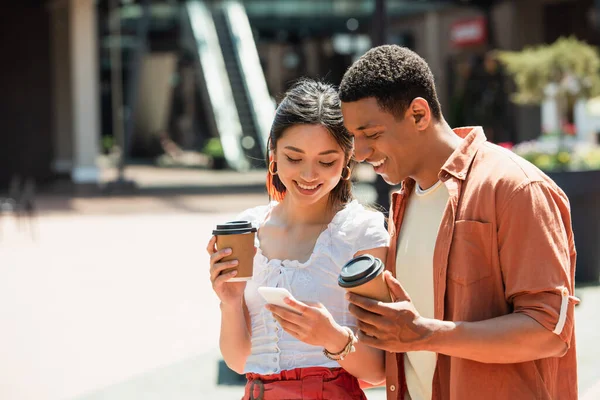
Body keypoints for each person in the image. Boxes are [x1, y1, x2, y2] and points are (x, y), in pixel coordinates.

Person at [338, 45, 578, 400]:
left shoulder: (515, 187)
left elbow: (549, 331)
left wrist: (426, 333)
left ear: (419, 114)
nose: (359, 153)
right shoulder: (405, 199)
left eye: (371, 134)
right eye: (353, 137)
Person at [207, 79, 389, 399]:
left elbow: (378, 370)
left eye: (326, 161)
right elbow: (238, 361)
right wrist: (229, 301)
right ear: (273, 153)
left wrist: (331, 337)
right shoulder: (248, 228)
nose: (308, 175)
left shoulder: (364, 232)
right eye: (294, 158)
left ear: (347, 160)